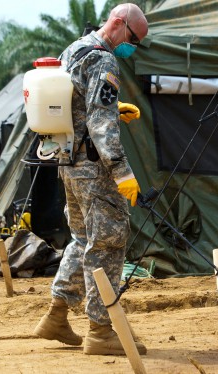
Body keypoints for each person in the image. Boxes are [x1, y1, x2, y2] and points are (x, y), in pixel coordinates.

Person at [33, 3, 148, 356]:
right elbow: (100, 124)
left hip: (67, 162)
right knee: (108, 243)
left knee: (83, 238)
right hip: (95, 167)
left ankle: (56, 315)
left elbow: (78, 103)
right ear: (117, 23)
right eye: (133, 39)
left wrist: (116, 108)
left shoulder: (75, 49)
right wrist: (122, 171)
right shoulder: (104, 60)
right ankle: (100, 330)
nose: (132, 48)